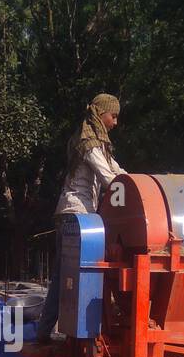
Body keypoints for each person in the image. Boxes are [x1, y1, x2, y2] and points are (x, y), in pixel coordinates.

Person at [37, 93, 123, 342]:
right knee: (68, 273)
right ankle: (51, 332)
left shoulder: (98, 144)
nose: (115, 123)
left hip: (83, 216)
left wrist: (138, 181)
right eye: (113, 116)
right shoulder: (89, 144)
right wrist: (133, 191)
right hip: (75, 215)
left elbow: (116, 170)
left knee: (67, 273)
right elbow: (109, 177)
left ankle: (62, 331)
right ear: (101, 113)